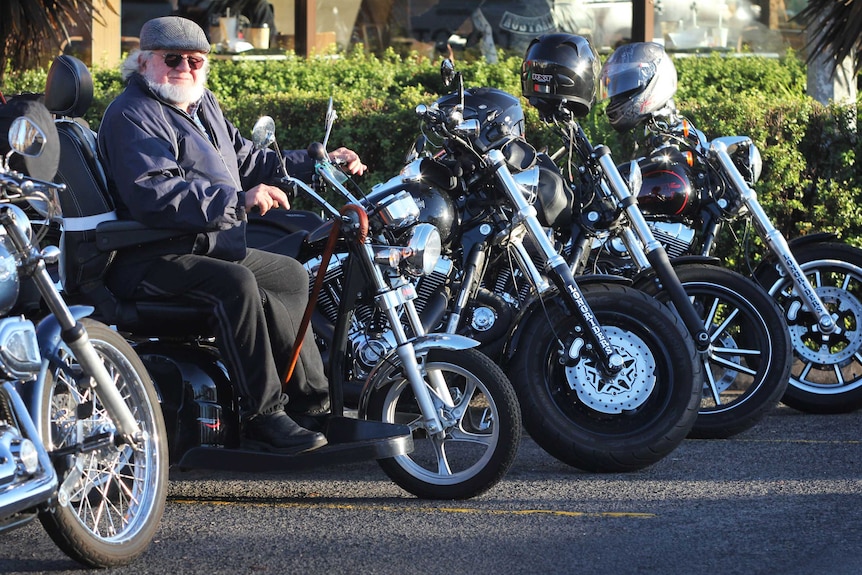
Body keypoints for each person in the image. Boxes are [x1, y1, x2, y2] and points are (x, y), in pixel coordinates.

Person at [97, 16, 366, 454]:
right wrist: (236, 203)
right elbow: (155, 195)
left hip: (203, 247)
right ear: (143, 62)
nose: (186, 67)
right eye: (173, 59)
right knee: (236, 285)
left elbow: (248, 159)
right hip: (146, 257)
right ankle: (263, 416)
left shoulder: (201, 105)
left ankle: (312, 405)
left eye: (196, 60)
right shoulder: (133, 115)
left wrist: (318, 163)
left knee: (291, 276)